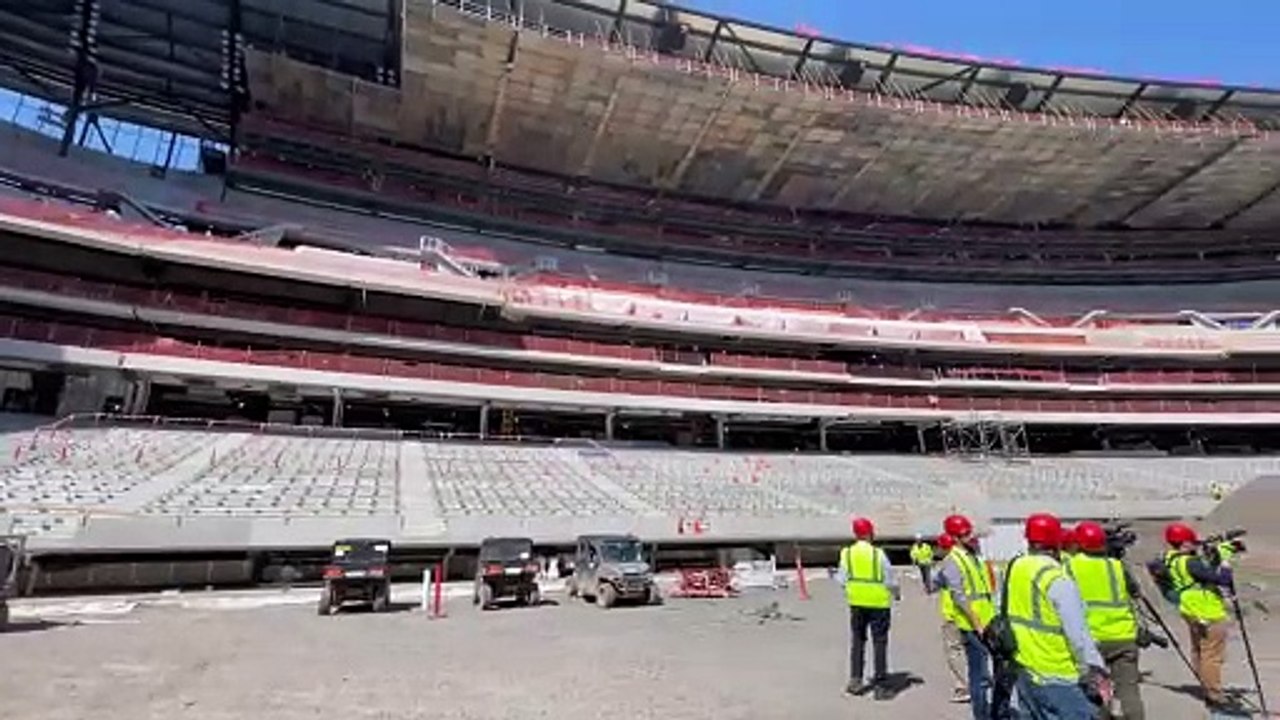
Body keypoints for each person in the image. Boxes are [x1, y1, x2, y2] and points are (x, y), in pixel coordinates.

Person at [1006, 512, 1111, 720]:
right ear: (1057, 541)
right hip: (1060, 676)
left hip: (1026, 670)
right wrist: (1095, 670)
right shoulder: (1057, 579)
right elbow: (1078, 635)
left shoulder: (1015, 568)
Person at [1065, 521, 1145, 720]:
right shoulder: (1116, 565)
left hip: (1092, 639)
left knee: (1093, 691)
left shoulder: (1070, 566)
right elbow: (1135, 592)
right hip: (1123, 635)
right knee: (1129, 690)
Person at [1161, 522, 1234, 709]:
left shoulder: (1170, 558)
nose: (1196, 544)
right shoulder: (1190, 562)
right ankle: (1215, 695)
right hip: (1207, 611)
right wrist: (1225, 560)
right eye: (1192, 541)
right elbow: (1222, 579)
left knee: (1199, 651)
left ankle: (1206, 685)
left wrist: (1211, 556)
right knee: (1212, 655)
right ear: (1184, 543)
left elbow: (1200, 575)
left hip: (1190, 609)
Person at [934, 513, 993, 717]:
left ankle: (989, 711)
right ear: (955, 538)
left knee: (987, 672)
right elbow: (959, 596)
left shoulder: (971, 556)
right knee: (979, 675)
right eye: (965, 534)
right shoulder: (952, 561)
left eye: (969, 532)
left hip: (987, 619)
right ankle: (981, 714)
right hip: (972, 624)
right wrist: (976, 622)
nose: (970, 536)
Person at [838, 517, 899, 700]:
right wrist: (896, 592)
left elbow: (842, 579)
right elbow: (889, 578)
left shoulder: (846, 553)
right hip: (878, 602)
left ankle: (856, 680)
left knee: (858, 641)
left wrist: (852, 591)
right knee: (879, 642)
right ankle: (880, 685)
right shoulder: (877, 554)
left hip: (856, 602)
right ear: (870, 533)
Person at [934, 532, 971, 704]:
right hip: (973, 611)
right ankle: (979, 681)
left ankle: (963, 687)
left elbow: (933, 585)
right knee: (972, 651)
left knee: (954, 651)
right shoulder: (968, 560)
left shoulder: (947, 564)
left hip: (953, 614)